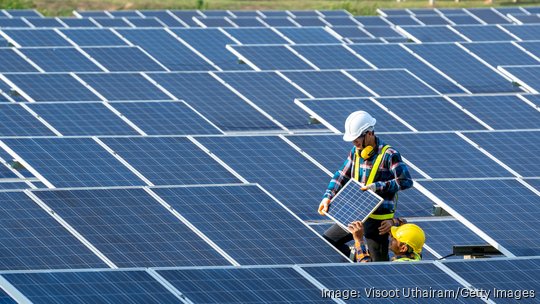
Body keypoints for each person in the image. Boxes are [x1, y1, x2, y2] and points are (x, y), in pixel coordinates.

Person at [318, 111, 413, 261]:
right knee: (327, 241)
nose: (354, 143)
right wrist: (327, 197)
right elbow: (341, 175)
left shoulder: (389, 154)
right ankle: (355, 257)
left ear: (369, 133)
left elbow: (406, 181)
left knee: (377, 267)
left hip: (378, 222)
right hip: (356, 215)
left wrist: (377, 187)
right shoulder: (355, 152)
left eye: (356, 140)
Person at [348, 220, 425, 262]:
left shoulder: (398, 266)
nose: (391, 237)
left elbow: (366, 267)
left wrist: (359, 240)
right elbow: (405, 224)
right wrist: (392, 222)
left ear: (403, 248)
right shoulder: (416, 254)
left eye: (394, 238)